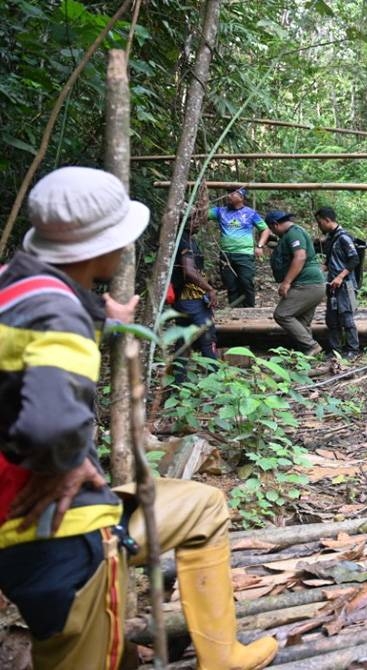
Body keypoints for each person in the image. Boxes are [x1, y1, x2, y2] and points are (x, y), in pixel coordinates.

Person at [0, 166, 278, 670]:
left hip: (23, 512)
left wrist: (102, 317)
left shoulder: (19, 287)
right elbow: (47, 424)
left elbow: (30, 346)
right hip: (53, 531)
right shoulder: (58, 317)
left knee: (203, 506)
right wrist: (60, 462)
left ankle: (223, 656)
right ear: (94, 248)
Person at [264, 210, 326, 356]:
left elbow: (300, 257)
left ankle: (312, 346)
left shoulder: (294, 233)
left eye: (272, 229)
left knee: (282, 314)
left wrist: (286, 282)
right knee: (302, 322)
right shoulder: (290, 234)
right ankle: (307, 356)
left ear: (275, 224)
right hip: (314, 284)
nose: (274, 232)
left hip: (308, 284)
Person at [170, 214, 218, 382]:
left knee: (183, 339)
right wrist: (209, 289)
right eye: (192, 219)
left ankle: (179, 381)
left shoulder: (185, 240)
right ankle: (215, 381)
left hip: (181, 300)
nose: (197, 222)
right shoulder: (184, 242)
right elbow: (189, 272)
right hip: (190, 298)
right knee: (207, 336)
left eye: (198, 218)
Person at [208, 186, 270, 308]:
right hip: (226, 255)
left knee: (246, 282)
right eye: (228, 193)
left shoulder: (250, 213)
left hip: (245, 254)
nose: (228, 196)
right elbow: (202, 213)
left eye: (232, 193)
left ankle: (249, 310)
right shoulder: (220, 211)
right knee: (230, 285)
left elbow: (265, 229)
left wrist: (259, 245)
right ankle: (235, 310)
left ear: (241, 197)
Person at [315, 206, 361, 360]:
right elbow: (330, 261)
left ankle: (353, 349)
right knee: (332, 318)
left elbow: (354, 259)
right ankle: (335, 349)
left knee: (346, 317)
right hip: (332, 285)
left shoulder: (344, 237)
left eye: (320, 222)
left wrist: (341, 276)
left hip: (345, 284)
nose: (319, 226)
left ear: (327, 220)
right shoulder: (331, 238)